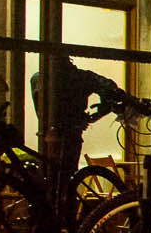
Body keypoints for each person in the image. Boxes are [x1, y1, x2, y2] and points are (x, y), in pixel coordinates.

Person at [28, 55, 126, 193]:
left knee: (51, 179)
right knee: (66, 179)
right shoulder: (81, 77)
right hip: (72, 133)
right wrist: (97, 114)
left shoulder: (38, 78)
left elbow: (39, 110)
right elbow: (110, 89)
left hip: (47, 134)